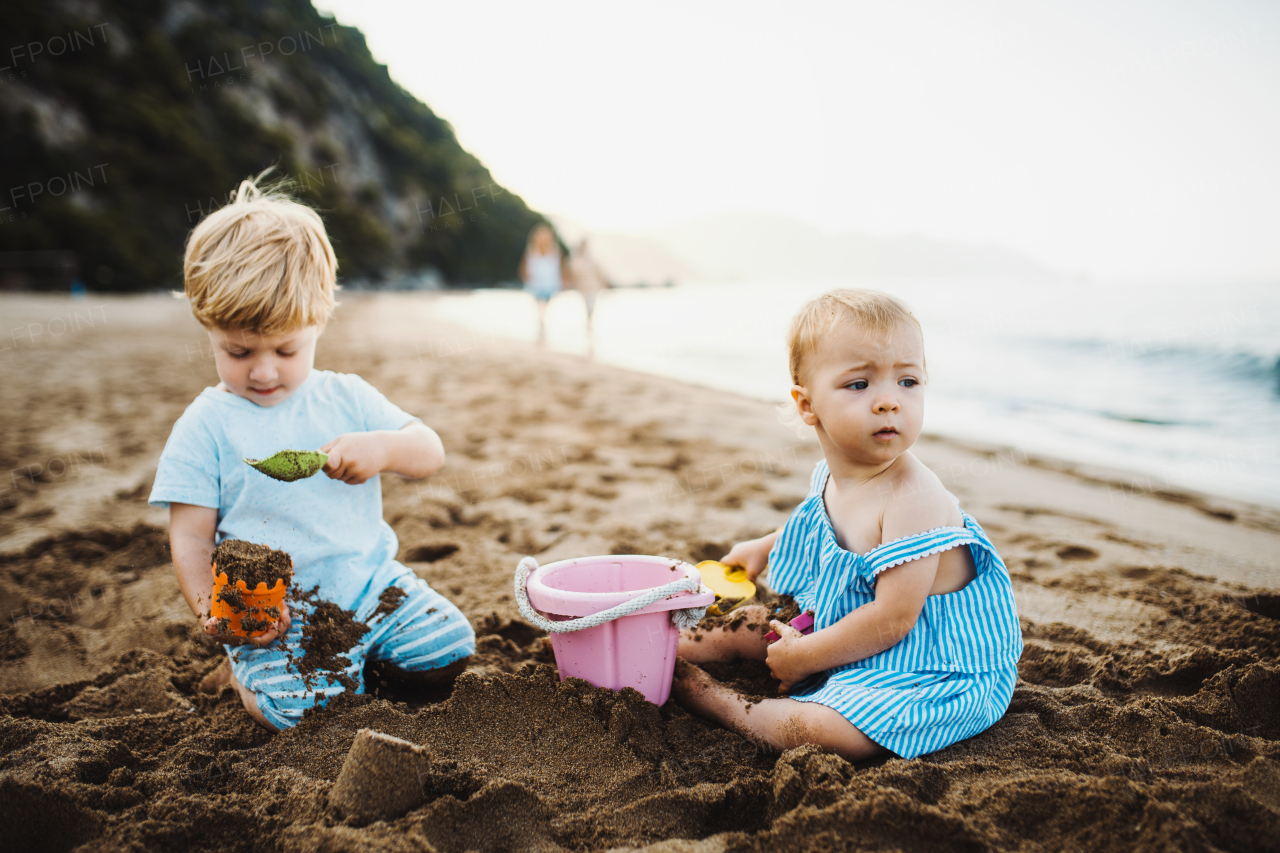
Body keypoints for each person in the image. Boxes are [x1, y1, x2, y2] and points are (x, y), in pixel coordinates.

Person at [148, 174, 475, 732]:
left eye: (286, 348)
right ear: (209, 329)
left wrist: (384, 448)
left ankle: (363, 659)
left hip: (372, 583)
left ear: (319, 320)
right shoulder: (206, 425)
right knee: (301, 713)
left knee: (450, 651)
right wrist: (216, 612)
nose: (265, 370)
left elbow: (430, 451)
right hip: (276, 610)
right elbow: (191, 536)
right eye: (239, 350)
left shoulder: (345, 395)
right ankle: (247, 676)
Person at [674, 288, 1022, 761]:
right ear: (807, 404)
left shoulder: (913, 496)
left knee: (823, 730)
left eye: (908, 382)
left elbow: (893, 618)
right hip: (861, 638)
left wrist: (806, 657)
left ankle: (726, 705)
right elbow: (830, 530)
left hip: (934, 669)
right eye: (859, 385)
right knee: (753, 625)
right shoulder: (835, 476)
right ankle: (674, 649)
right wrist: (765, 547)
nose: (888, 402)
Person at [518, 223, 566, 343]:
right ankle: (541, 323)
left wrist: (563, 280)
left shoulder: (554, 250)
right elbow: (524, 267)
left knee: (546, 305)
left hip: (550, 283)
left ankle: (542, 323)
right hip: (536, 284)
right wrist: (525, 277)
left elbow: (560, 267)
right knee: (539, 305)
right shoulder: (531, 250)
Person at [566, 238, 610, 335]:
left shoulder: (591, 260)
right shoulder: (577, 261)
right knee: (588, 308)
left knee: (590, 308)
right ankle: (589, 327)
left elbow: (600, 274)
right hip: (584, 289)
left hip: (593, 288)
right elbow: (573, 276)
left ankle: (589, 327)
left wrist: (604, 285)